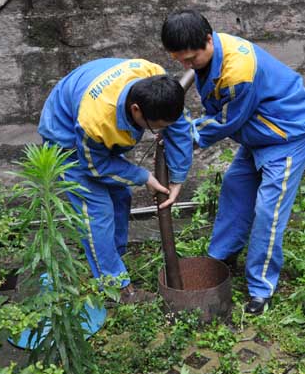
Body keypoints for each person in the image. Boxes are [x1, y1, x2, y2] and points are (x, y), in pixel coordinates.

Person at [161, 10, 305, 314]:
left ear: (209, 40)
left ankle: (261, 288)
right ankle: (221, 258)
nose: (186, 66)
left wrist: (182, 133)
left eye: (191, 59)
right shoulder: (211, 54)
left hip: (287, 132)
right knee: (235, 187)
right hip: (260, 130)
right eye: (179, 60)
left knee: (268, 211)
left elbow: (226, 120)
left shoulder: (238, 72)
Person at [38, 58, 192, 304]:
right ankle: (114, 288)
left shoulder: (156, 77)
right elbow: (95, 166)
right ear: (136, 111)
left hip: (94, 118)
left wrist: (178, 178)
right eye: (156, 127)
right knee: (97, 212)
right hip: (66, 135)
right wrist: (144, 176)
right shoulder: (96, 122)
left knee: (121, 196)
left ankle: (111, 258)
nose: (159, 129)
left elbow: (180, 127)